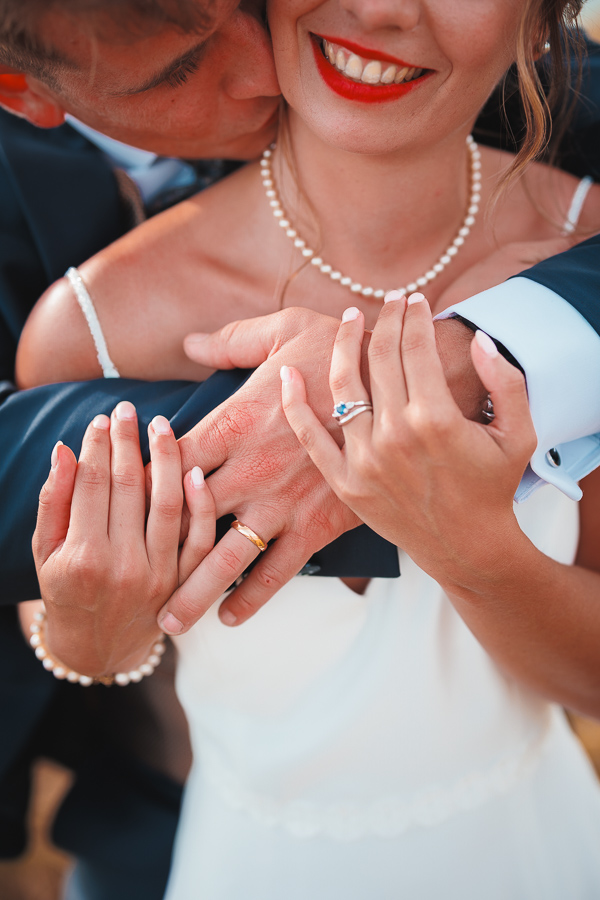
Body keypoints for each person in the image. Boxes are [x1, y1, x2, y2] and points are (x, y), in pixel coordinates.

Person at [17, 0, 600, 895]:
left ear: (540, 18)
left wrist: (469, 546)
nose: (380, 7)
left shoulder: (581, 244)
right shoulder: (96, 323)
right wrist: (88, 638)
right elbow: (80, 623)